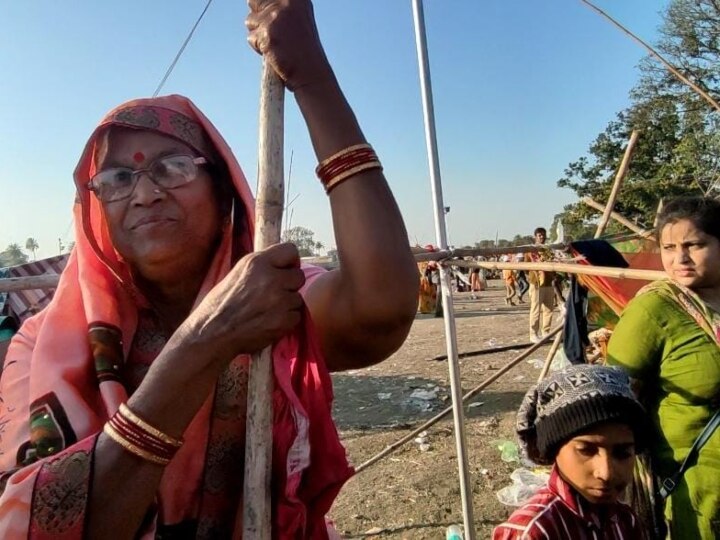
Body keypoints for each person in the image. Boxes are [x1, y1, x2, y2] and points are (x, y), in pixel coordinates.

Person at [0, 2, 418, 538]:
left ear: (224, 196)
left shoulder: (267, 302)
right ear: (96, 212)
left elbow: (381, 308)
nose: (145, 194)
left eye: (171, 168)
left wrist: (313, 76)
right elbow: (37, 525)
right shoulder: (41, 346)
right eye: (118, 181)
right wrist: (201, 345)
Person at [607, 197, 720, 539]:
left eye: (694, 245)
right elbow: (613, 398)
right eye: (669, 247)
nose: (679, 258)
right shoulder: (655, 310)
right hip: (696, 488)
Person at [493, 364, 648, 539]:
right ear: (553, 450)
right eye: (586, 451)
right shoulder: (533, 531)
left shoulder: (625, 521)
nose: (606, 473)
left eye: (622, 453)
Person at [525, 227, 555, 342]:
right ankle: (533, 333)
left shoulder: (548, 250)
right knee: (536, 309)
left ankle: (546, 332)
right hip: (536, 283)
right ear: (535, 237)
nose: (542, 237)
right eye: (539, 235)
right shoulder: (530, 250)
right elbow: (525, 266)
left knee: (549, 309)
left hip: (548, 282)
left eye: (543, 235)